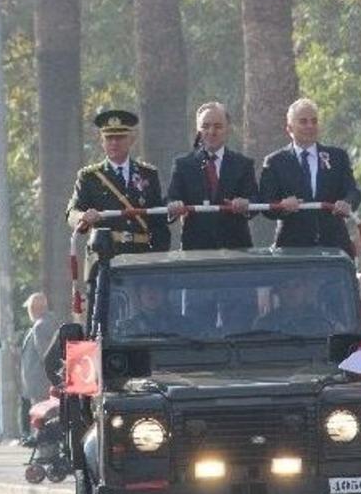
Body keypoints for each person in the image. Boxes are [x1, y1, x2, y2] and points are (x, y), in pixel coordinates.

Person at [257, 98, 361, 255]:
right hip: (292, 248)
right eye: (303, 122)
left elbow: (353, 192)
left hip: (334, 246)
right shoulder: (275, 162)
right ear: (289, 128)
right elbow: (266, 203)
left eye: (314, 121)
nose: (310, 126)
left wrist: (347, 203)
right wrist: (282, 206)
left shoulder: (337, 157)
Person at [66, 108, 170, 254]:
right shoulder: (90, 177)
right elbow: (72, 212)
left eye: (120, 137)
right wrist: (82, 217)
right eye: (109, 138)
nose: (114, 142)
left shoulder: (148, 174)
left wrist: (160, 257)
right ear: (102, 141)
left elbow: (158, 221)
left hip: (141, 254)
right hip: (105, 254)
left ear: (131, 140)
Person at [166, 101, 258, 250]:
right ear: (198, 130)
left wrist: (245, 204)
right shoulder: (183, 165)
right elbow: (171, 199)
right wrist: (174, 206)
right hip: (196, 249)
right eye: (205, 126)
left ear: (228, 129)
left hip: (236, 249)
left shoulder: (243, 164)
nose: (211, 131)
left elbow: (255, 200)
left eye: (218, 126)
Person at [19, 293, 60, 442]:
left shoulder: (41, 326)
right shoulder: (48, 322)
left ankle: (42, 446)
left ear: (35, 308)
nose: (28, 311)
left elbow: (46, 355)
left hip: (41, 381)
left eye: (29, 308)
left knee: (41, 415)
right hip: (41, 381)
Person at [252, 278, 337, 336]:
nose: (291, 292)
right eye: (285, 287)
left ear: (305, 290)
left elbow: (339, 334)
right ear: (278, 291)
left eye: (297, 286)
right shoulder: (265, 323)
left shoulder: (323, 318)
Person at [116, 282, 198, 338]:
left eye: (157, 289)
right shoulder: (126, 327)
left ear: (165, 294)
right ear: (139, 296)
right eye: (147, 290)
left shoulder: (182, 324)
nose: (152, 293)